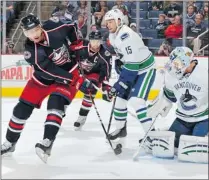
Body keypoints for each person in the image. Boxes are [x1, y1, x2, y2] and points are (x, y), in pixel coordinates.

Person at [1, 14, 92, 163]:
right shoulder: (31, 50)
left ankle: (46, 143)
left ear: (40, 27)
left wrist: (76, 42)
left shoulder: (55, 26)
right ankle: (10, 143)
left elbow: (71, 26)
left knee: (55, 105)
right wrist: (76, 80)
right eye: (28, 33)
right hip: (43, 79)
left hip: (69, 71)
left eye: (35, 30)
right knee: (20, 109)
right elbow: (50, 70)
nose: (33, 35)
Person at [104, 9, 156, 152]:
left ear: (119, 21)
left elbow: (133, 66)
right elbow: (124, 58)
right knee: (120, 100)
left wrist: (118, 84)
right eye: (107, 22)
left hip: (145, 70)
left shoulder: (126, 36)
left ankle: (153, 136)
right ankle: (120, 129)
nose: (108, 25)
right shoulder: (113, 34)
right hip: (134, 68)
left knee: (137, 101)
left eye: (111, 21)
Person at [147, 47, 208, 163]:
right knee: (171, 145)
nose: (174, 66)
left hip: (204, 118)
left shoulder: (204, 75)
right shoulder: (171, 76)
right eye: (173, 63)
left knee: (195, 146)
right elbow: (170, 96)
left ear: (188, 61)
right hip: (182, 119)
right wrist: (161, 104)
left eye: (177, 63)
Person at [74, 30, 113, 130]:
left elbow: (106, 72)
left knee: (91, 90)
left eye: (98, 41)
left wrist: (105, 86)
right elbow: (70, 53)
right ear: (89, 40)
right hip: (77, 73)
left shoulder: (105, 54)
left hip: (94, 75)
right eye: (93, 41)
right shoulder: (81, 46)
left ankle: (81, 117)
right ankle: (62, 109)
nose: (96, 44)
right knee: (66, 88)